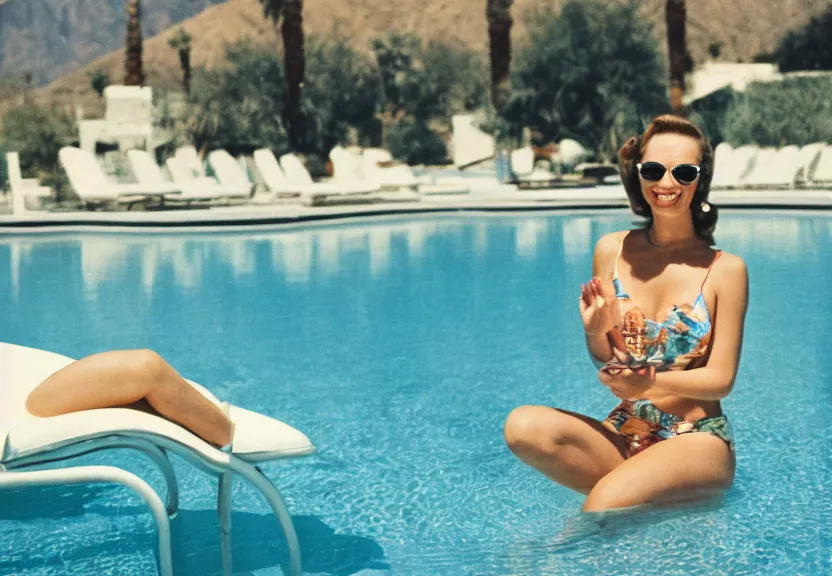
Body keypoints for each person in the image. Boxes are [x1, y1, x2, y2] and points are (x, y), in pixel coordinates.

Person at [503, 114, 749, 513]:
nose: (666, 184)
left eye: (683, 173)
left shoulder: (726, 269)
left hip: (697, 438)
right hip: (628, 427)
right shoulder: (611, 250)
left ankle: (632, 497)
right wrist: (595, 332)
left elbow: (721, 381)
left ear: (699, 180)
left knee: (600, 506)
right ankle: (645, 490)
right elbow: (609, 358)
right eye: (654, 170)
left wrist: (646, 385)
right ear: (639, 174)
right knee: (523, 427)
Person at [25, 349, 235, 449]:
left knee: (148, 375)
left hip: (31, 399)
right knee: (149, 370)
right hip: (32, 407)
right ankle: (226, 433)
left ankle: (221, 429)